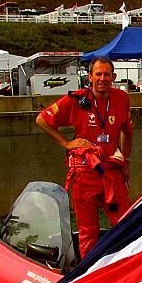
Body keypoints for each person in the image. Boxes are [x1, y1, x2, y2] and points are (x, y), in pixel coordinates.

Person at [36, 57, 133, 259]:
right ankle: (89, 275)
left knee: (126, 224)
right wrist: (66, 143)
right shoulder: (76, 100)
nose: (103, 78)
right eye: (98, 74)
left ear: (113, 77)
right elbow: (42, 119)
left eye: (107, 74)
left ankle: (128, 266)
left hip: (112, 172)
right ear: (90, 77)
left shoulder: (122, 98)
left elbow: (127, 130)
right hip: (85, 172)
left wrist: (125, 160)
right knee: (88, 232)